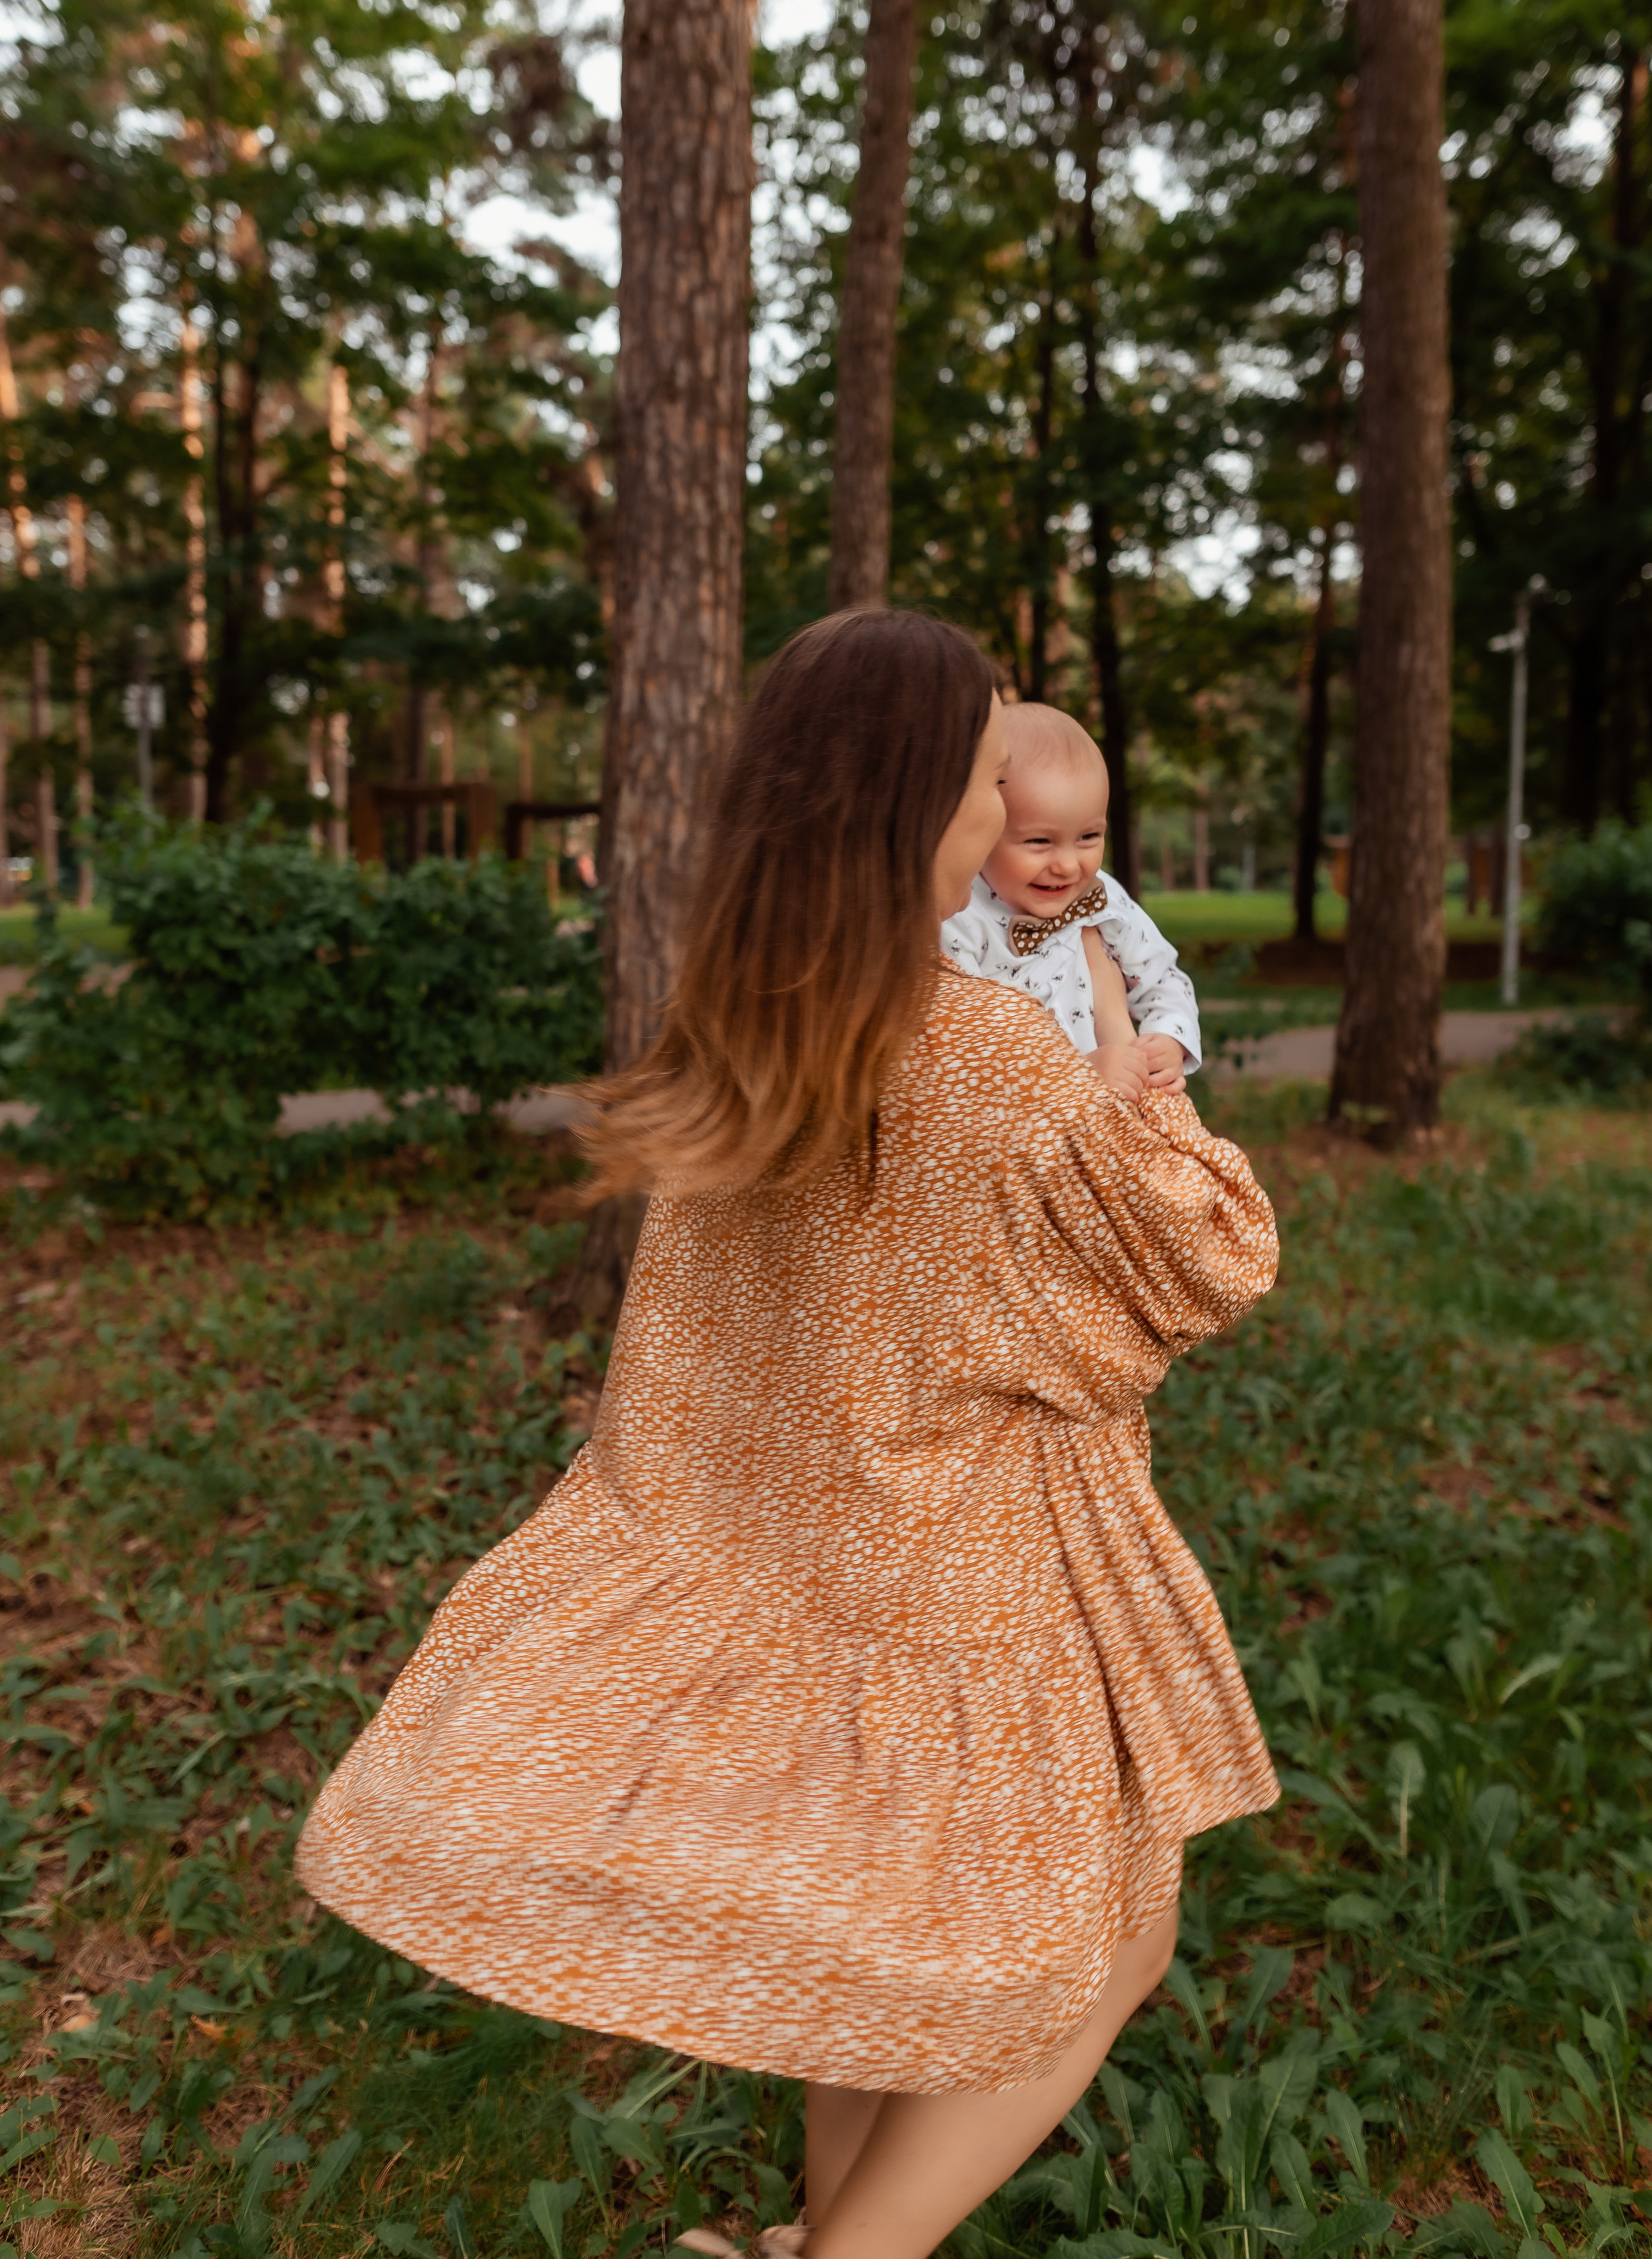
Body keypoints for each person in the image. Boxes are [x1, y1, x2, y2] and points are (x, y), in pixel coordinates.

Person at [296, 610, 1280, 2259]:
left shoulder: (757, 1011)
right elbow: (1204, 1262)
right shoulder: (988, 1053)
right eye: (987, 777)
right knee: (1100, 1942)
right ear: (918, 804)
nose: (1011, 813)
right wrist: (1123, 1061)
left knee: (879, 1951)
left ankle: (819, 2228)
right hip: (969, 1565)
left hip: (800, 1530)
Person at [942, 702, 1201, 1102]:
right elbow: (965, 1045)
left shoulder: (1103, 898)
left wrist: (1168, 1039)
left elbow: (1164, 978)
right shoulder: (961, 915)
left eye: (1088, 838)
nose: (1066, 865)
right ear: (985, 829)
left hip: (1118, 1107)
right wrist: (1075, 1075)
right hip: (1030, 1118)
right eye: (1039, 841)